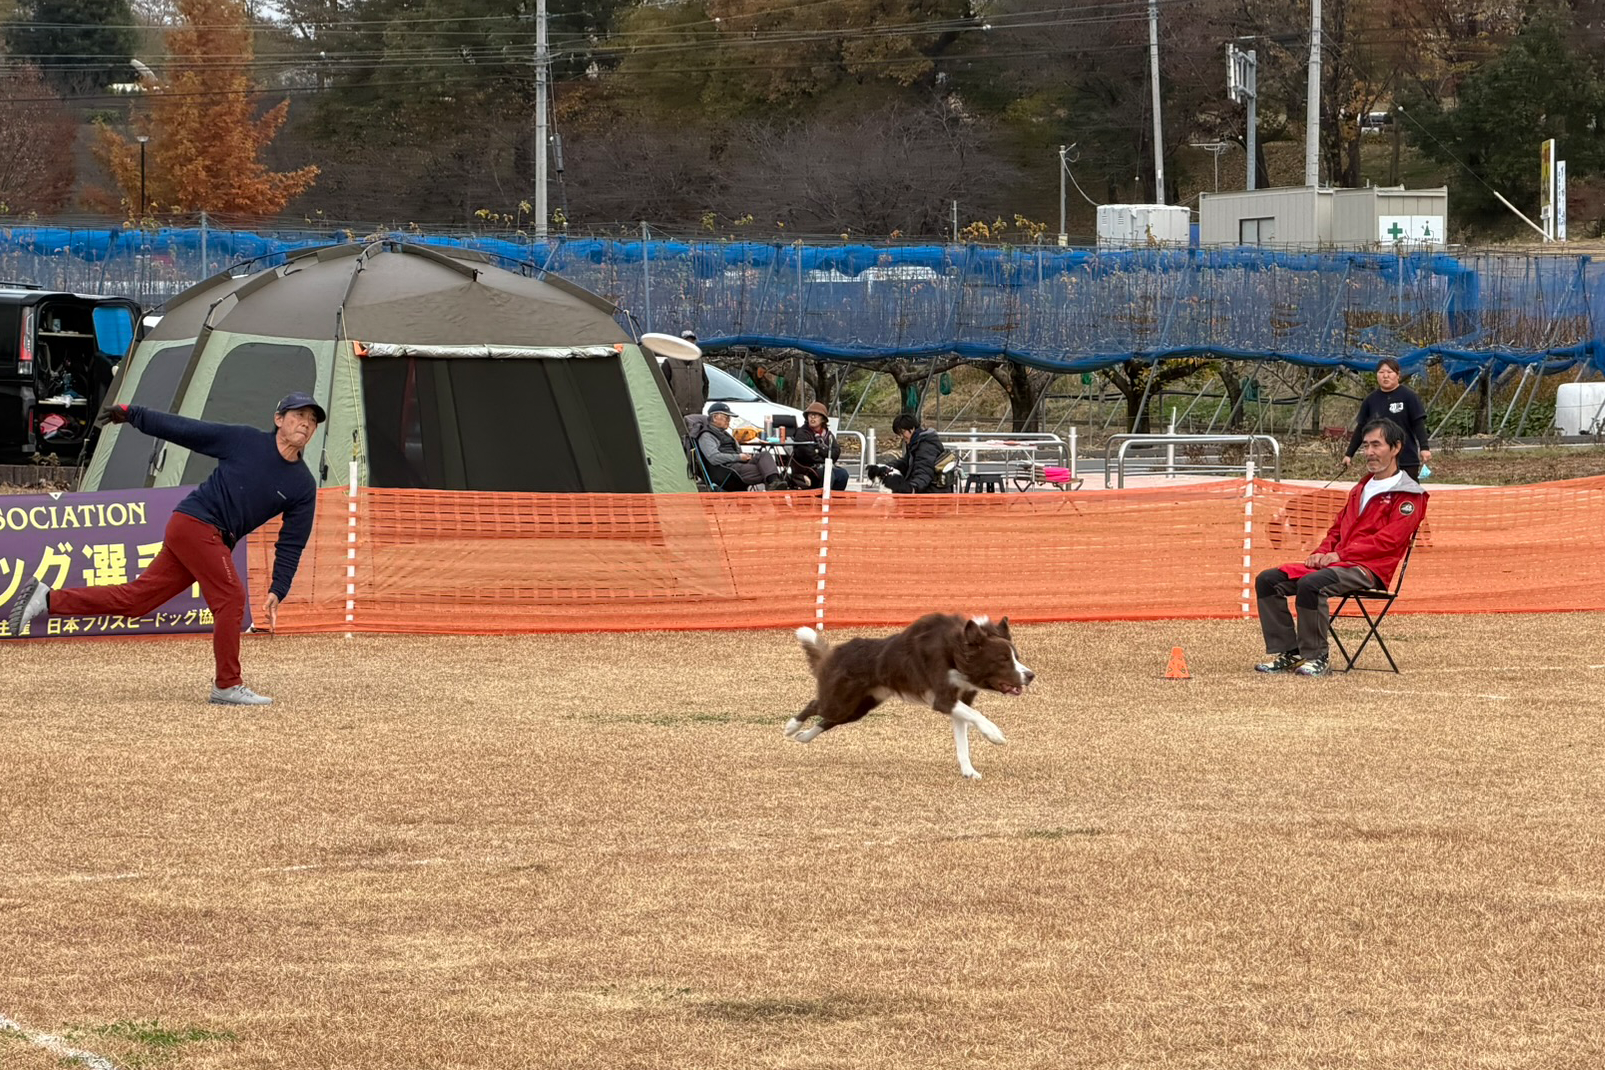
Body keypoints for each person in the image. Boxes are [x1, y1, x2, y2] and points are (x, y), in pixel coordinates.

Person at [6, 393, 325, 707]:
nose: (306, 424)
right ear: (279, 419)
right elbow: (186, 430)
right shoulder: (245, 441)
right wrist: (133, 413)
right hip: (197, 524)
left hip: (209, 537)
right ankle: (227, 685)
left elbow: (292, 541)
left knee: (136, 601)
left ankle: (47, 598)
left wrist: (279, 587)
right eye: (299, 416)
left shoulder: (303, 485)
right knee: (231, 598)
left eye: (312, 420)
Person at [1254, 417, 1427, 677]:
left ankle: (1317, 657)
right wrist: (1321, 553)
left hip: (1370, 568)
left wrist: (1340, 554)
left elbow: (1389, 541)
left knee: (1311, 585)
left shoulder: (1410, 495)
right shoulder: (1361, 487)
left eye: (1377, 445)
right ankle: (1290, 653)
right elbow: (1337, 529)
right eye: (1366, 445)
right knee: (1268, 580)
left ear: (1396, 447)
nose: (1369, 452)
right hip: (1338, 563)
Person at [1344, 357, 1431, 479]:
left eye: (1389, 372)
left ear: (1398, 375)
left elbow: (1418, 424)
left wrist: (1424, 448)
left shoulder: (1409, 396)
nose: (1385, 376)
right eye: (1381, 372)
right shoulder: (1370, 400)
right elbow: (1361, 428)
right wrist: (1349, 454)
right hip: (1380, 461)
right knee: (1381, 494)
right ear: (1377, 375)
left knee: (1407, 494)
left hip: (1406, 459)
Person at [694, 402, 785, 491]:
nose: (729, 420)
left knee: (764, 455)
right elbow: (714, 458)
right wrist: (739, 457)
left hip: (739, 464)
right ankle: (775, 486)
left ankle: (774, 483)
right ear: (714, 418)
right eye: (726, 417)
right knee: (766, 471)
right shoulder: (707, 436)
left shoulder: (724, 433)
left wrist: (744, 456)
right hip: (728, 470)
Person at [868, 413, 950, 494]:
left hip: (931, 492)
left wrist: (912, 488)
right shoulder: (916, 442)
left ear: (912, 429)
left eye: (902, 432)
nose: (901, 437)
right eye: (899, 434)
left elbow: (924, 471)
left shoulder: (926, 446)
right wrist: (886, 467)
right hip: (925, 488)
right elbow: (906, 462)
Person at [790, 401, 848, 491]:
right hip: (807, 469)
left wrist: (819, 450)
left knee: (842, 474)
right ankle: (820, 502)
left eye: (816, 415)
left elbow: (836, 452)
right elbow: (807, 454)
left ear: (823, 419)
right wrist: (825, 456)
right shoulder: (802, 433)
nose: (812, 418)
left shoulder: (828, 434)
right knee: (827, 475)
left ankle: (835, 501)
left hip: (825, 466)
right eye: (810, 415)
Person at [660, 329, 709, 418]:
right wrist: (671, 405)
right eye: (686, 342)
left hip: (696, 414)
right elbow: (661, 388)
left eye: (692, 342)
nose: (690, 345)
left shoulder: (699, 363)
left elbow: (705, 384)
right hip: (676, 415)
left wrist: (701, 402)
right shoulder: (669, 363)